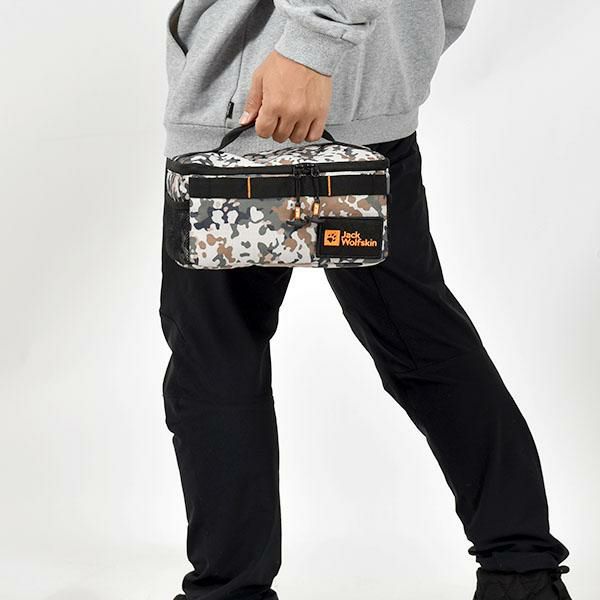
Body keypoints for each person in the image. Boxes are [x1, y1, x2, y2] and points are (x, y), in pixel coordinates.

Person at [160, 1, 573, 599]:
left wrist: (311, 46)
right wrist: (401, 48)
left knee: (216, 362)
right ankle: (523, 576)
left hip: (261, 95)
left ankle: (229, 594)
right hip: (359, 96)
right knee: (424, 343)